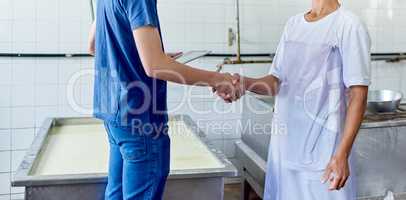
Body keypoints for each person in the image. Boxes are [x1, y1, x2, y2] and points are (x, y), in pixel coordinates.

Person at [87, 0, 243, 199]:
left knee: (116, 194)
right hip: (139, 116)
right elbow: (154, 66)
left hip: (113, 111)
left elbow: (93, 46)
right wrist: (218, 79)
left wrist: (147, 53)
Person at [231, 0, 370, 199]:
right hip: (284, 150)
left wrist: (342, 154)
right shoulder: (293, 25)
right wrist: (245, 83)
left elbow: (358, 94)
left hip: (323, 153)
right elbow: (276, 82)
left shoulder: (349, 25)